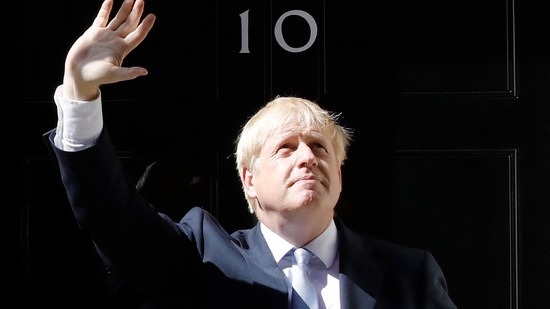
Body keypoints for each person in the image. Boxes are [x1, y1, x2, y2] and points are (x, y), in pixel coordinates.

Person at [45, 0, 457, 308]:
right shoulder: (202, 258)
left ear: (340, 171)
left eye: (319, 147)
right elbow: (111, 217)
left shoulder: (410, 275)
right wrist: (80, 94)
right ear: (249, 180)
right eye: (285, 148)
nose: (308, 158)